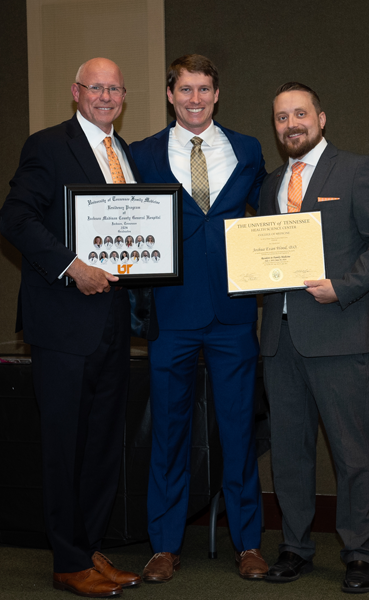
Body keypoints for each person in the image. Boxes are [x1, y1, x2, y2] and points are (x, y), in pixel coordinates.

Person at [0, 57, 157, 598]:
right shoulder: (47, 145)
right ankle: (66, 561)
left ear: (124, 95)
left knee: (100, 447)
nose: (106, 96)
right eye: (97, 87)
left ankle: (88, 548)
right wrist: (73, 267)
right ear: (76, 92)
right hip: (63, 324)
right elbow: (15, 217)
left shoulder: (127, 153)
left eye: (115, 87)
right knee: (65, 446)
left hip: (114, 321)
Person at [129, 54, 268, 582]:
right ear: (170, 94)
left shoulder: (249, 149)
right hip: (172, 314)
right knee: (168, 431)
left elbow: (269, 219)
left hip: (234, 313)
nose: (195, 98)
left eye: (204, 89)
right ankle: (163, 545)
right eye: (185, 89)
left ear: (216, 94)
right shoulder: (142, 152)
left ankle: (248, 543)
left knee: (239, 432)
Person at [259, 82, 369, 593]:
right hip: (279, 338)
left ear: (321, 118)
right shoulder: (270, 182)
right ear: (275, 127)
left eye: (300, 114)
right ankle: (294, 547)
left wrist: (341, 287)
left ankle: (360, 554)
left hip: (340, 335)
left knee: (352, 452)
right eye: (280, 117)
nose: (291, 124)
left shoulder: (357, 170)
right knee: (289, 451)